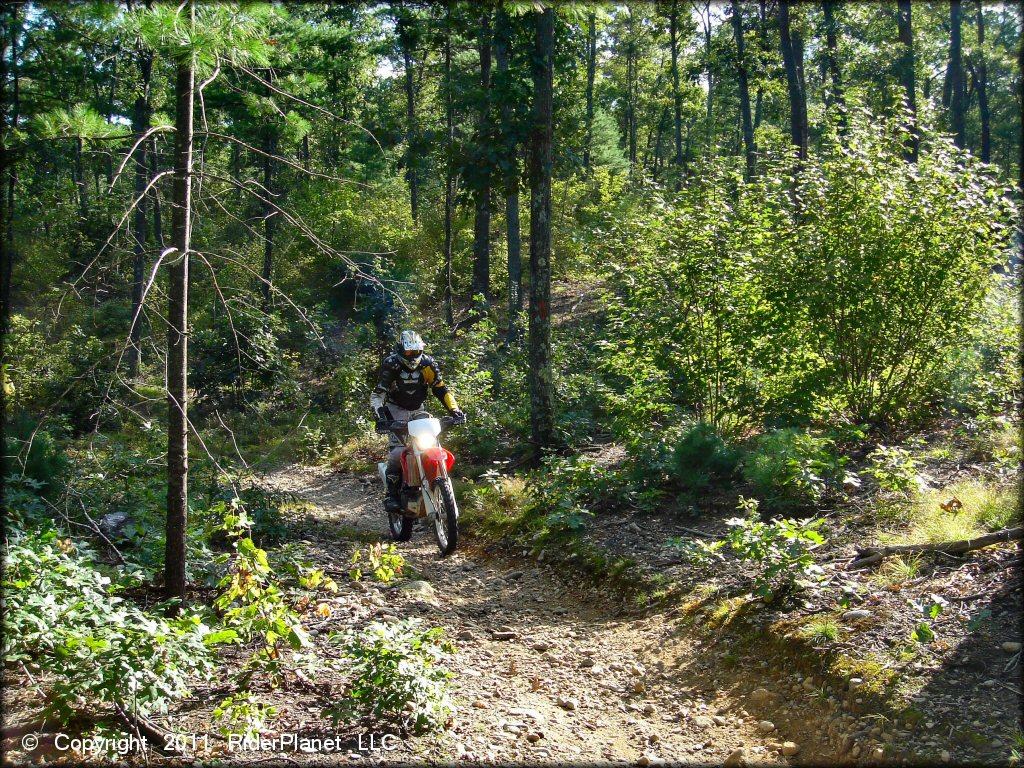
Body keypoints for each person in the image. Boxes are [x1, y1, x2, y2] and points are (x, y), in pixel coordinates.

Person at [370, 330, 466, 514]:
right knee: (398, 452)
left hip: (418, 410)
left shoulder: (427, 363)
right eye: (408, 352)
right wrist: (381, 418)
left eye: (415, 351)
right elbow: (378, 395)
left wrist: (455, 411)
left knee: (429, 447)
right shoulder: (391, 364)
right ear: (400, 350)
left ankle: (434, 484)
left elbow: (441, 389)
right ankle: (391, 494)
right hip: (394, 410)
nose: (412, 356)